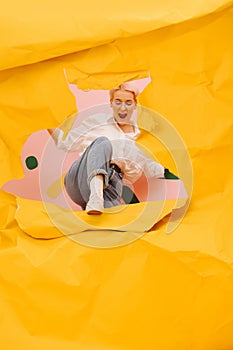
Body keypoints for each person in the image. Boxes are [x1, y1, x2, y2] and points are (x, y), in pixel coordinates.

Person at [48, 82, 176, 215]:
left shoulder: (143, 140)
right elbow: (65, 142)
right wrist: (43, 120)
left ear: (135, 105)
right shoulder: (97, 122)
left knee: (111, 226)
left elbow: (156, 169)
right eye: (118, 102)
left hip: (112, 184)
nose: (123, 108)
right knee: (103, 143)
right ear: (111, 103)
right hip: (79, 178)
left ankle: (97, 203)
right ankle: (95, 197)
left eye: (128, 103)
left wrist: (189, 169)